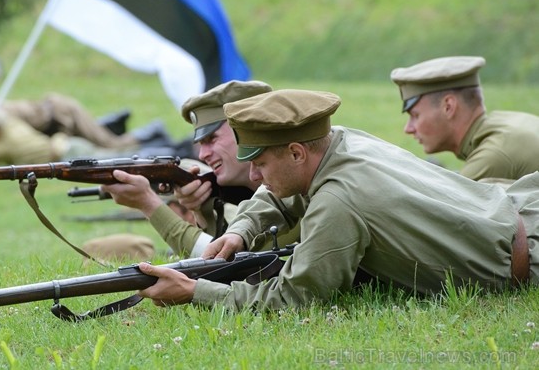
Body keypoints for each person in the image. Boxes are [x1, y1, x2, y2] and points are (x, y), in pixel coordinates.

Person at [131, 89, 538, 311]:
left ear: (296, 152)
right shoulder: (339, 139)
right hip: (521, 203)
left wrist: (194, 292)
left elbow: (291, 298)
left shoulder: (339, 204)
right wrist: (241, 230)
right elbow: (278, 193)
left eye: (260, 163)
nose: (253, 177)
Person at [102, 80, 300, 258]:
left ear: (249, 131)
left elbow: (232, 259)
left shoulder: (291, 183)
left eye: (212, 139)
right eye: (201, 143)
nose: (204, 154)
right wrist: (202, 211)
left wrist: (149, 204)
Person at [390, 56, 539, 182]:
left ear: (448, 107)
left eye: (416, 116)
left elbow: (446, 212)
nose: (408, 128)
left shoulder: (492, 157)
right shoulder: (507, 122)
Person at [0, 83, 174, 151]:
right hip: (54, 123)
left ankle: (152, 133)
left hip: (63, 114)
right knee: (99, 139)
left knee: (109, 145)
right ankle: (112, 123)